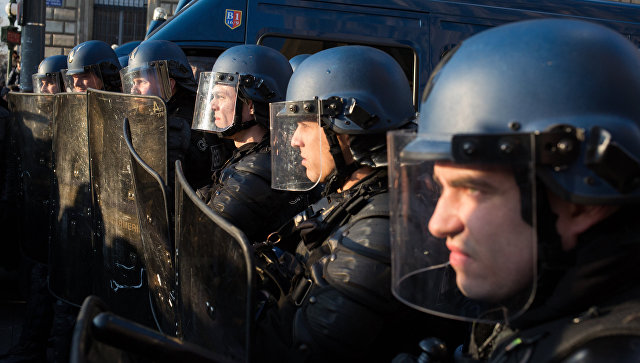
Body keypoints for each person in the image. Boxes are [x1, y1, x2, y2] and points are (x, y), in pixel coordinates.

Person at [389, 18, 640, 362]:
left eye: (474, 189)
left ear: (583, 204)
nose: (438, 223)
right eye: (441, 187)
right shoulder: (538, 302)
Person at [253, 45, 467, 363]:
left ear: (347, 130)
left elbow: (307, 351)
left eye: (306, 124)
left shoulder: (382, 226)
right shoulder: (355, 194)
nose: (295, 139)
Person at [193, 44, 312, 243]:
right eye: (213, 96)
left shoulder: (258, 169)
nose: (212, 104)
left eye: (221, 96)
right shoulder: (252, 153)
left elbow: (203, 236)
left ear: (250, 104)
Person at [120, 39, 230, 193]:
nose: (133, 90)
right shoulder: (200, 111)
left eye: (141, 82)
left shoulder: (172, 126)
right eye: (133, 82)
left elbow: (162, 193)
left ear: (169, 85)